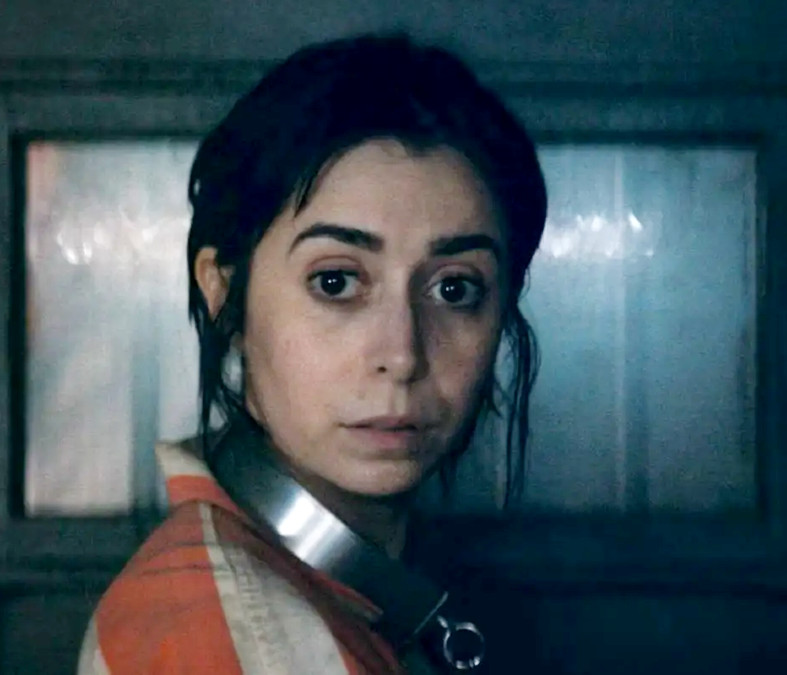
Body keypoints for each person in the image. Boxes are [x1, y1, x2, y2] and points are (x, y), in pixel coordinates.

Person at [78, 33, 547, 674]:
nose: (402, 355)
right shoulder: (230, 640)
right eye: (336, 281)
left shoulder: (346, 587)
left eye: (454, 288)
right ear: (224, 295)